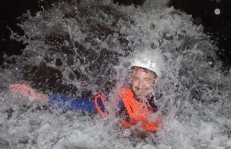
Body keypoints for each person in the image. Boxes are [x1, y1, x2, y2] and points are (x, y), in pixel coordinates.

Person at [9, 50, 164, 133]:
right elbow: (81, 105)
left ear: (155, 82)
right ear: (130, 78)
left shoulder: (162, 101)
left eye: (147, 80)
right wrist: (38, 96)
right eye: (136, 78)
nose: (140, 85)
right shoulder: (120, 99)